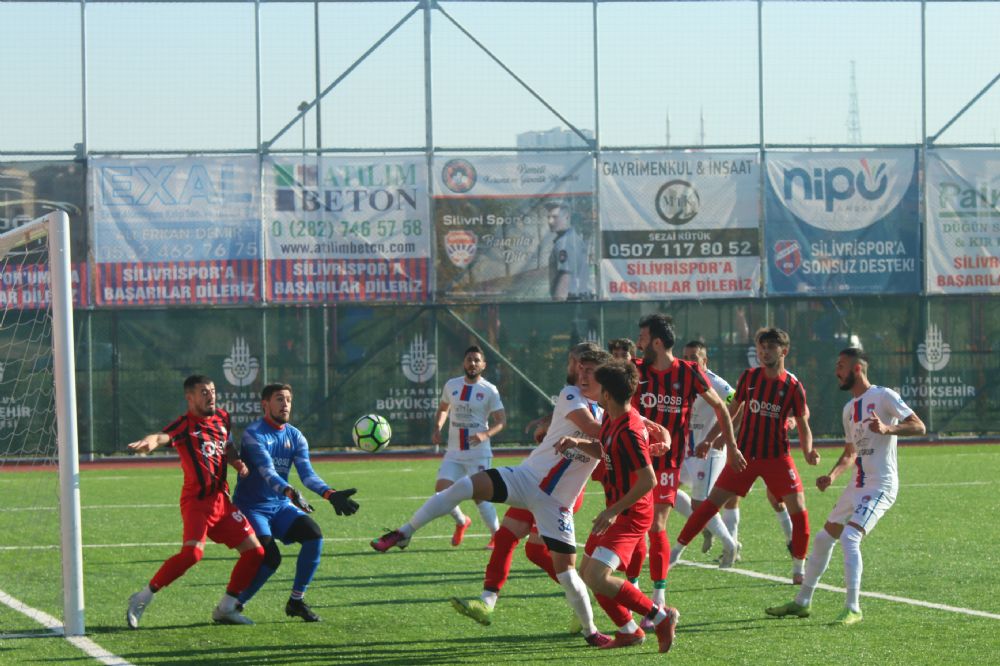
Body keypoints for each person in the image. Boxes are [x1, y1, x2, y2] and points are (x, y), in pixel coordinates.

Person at [371, 350, 646, 648]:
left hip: (556, 503)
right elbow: (598, 430)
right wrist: (643, 427)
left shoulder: (614, 417)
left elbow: (610, 435)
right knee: (465, 486)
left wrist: (652, 431)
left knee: (566, 573)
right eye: (579, 368)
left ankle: (591, 631)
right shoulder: (572, 395)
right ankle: (404, 533)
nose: (581, 374)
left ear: (604, 380)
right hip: (525, 479)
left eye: (589, 370)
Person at [450, 345, 606, 629]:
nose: (575, 368)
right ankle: (487, 602)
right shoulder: (573, 391)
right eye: (575, 363)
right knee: (514, 540)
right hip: (536, 480)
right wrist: (547, 423)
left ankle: (581, 598)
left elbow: (595, 425)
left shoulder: (598, 393)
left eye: (579, 363)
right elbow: (570, 414)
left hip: (559, 489)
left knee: (522, 544)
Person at [766, 347, 925, 625]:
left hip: (881, 485)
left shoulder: (883, 396)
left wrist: (889, 429)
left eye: (841, 366)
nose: (836, 371)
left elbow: (919, 426)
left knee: (850, 538)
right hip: (857, 485)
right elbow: (851, 453)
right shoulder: (849, 409)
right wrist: (832, 475)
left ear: (857, 369)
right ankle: (803, 602)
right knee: (823, 539)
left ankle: (853, 608)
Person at [673, 327, 820, 585]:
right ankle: (676, 552)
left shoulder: (793, 386)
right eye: (761, 347)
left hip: (777, 457)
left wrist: (808, 450)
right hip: (745, 456)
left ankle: (799, 567)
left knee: (799, 508)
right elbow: (734, 411)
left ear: (784, 351)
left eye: (770, 348)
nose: (764, 352)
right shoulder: (749, 377)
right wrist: (722, 439)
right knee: (709, 504)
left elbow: (803, 423)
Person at [558, 359, 679, 652]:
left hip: (632, 514)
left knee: (598, 575)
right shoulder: (612, 419)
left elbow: (648, 480)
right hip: (618, 510)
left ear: (608, 394)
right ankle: (628, 630)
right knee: (589, 574)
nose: (592, 390)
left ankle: (661, 616)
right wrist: (577, 442)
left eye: (597, 386)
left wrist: (612, 512)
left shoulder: (630, 430)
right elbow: (605, 449)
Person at [125, 375, 265, 628]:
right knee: (192, 554)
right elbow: (161, 437)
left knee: (255, 552)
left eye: (212, 390)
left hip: (222, 502)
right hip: (197, 503)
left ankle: (226, 608)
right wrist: (151, 441)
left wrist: (236, 462)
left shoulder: (222, 417)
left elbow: (228, 445)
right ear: (190, 398)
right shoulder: (184, 426)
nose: (210, 395)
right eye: (203, 392)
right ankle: (142, 597)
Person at [630, 314, 738, 613]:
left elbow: (722, 406)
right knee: (635, 526)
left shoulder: (689, 372)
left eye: (642, 337)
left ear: (656, 342)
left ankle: (658, 597)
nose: (638, 343)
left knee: (656, 524)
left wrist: (730, 445)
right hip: (636, 462)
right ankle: (633, 589)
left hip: (669, 462)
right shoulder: (635, 371)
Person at [232, 383, 360, 622]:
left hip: (279, 505)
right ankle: (235, 604)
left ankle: (296, 601)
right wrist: (289, 491)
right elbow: (267, 471)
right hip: (251, 506)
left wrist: (330, 494)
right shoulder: (254, 433)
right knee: (270, 558)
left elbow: (307, 474)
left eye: (288, 400)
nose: (285, 404)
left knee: (314, 535)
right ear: (265, 404)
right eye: (279, 399)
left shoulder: (296, 436)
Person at [669, 341, 740, 560]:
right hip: (687, 451)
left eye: (694, 357)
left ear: (704, 360)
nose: (689, 361)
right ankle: (705, 527)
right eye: (686, 357)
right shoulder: (680, 378)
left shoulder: (716, 383)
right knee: (666, 490)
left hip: (709, 453)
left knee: (701, 503)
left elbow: (738, 402)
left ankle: (730, 544)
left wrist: (719, 437)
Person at [431, 345, 506, 549]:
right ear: (463, 363)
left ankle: (496, 535)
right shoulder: (451, 385)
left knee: (480, 496)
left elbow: (501, 421)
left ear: (483, 365)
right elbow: (443, 408)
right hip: (454, 452)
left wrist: (485, 434)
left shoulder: (489, 390)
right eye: (469, 359)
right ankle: (462, 521)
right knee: (441, 492)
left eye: (476, 360)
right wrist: (438, 426)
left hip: (478, 454)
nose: (472, 363)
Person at [545, 199, 594, 301]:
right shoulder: (574, 238)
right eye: (548, 217)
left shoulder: (564, 243)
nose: (550, 221)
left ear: (566, 216)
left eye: (554, 217)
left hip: (569, 302)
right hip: (580, 299)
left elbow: (565, 277)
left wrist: (558, 306)